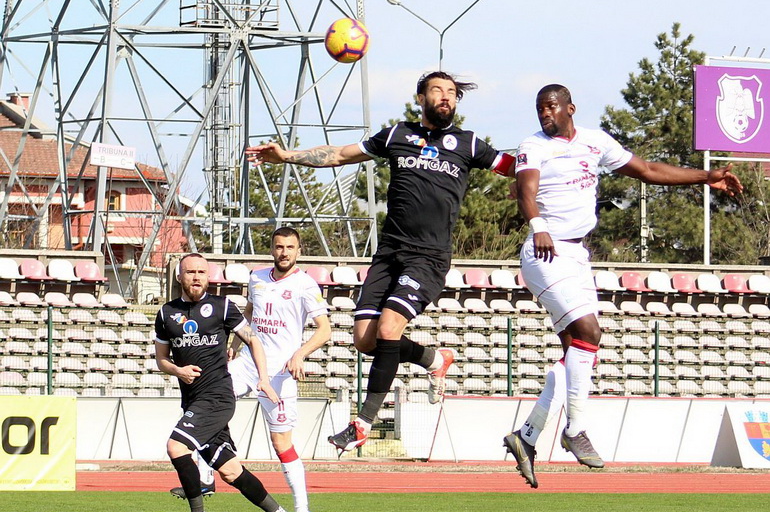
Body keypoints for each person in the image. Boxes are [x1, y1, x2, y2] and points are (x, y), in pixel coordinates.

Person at [247, 71, 516, 452]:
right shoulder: (396, 136)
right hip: (389, 254)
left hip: (428, 257)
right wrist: (288, 156)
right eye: (437, 90)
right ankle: (433, 358)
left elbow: (512, 166)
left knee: (389, 328)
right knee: (365, 340)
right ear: (420, 97)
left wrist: (538, 172)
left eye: (452, 93)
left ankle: (362, 423)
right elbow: (340, 155)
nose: (446, 97)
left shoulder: (468, 144)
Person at [503, 84, 743, 488]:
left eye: (551, 107)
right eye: (540, 108)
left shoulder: (595, 141)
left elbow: (647, 170)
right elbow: (525, 190)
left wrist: (706, 177)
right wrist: (538, 224)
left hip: (576, 255)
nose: (545, 114)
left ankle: (526, 436)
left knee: (578, 355)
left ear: (570, 108)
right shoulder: (534, 145)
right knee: (589, 332)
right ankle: (575, 429)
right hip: (544, 250)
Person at [155, 253, 301, 512]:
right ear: (179, 277)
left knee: (176, 446)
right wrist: (177, 370)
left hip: (218, 396)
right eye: (190, 272)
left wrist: (263, 378)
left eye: (201, 272)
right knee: (231, 471)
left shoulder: (222, 307)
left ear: (208, 277)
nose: (196, 277)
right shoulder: (166, 313)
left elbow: (253, 339)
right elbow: (161, 359)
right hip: (193, 400)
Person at [225, 227, 331, 512]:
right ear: (272, 249)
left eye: (290, 247)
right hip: (248, 362)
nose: (284, 252)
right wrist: (235, 342)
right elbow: (249, 313)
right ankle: (205, 478)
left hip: (280, 372)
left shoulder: (305, 284)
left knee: (281, 444)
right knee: (212, 401)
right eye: (279, 246)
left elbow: (324, 330)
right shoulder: (256, 277)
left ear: (298, 251)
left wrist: (300, 354)